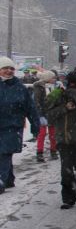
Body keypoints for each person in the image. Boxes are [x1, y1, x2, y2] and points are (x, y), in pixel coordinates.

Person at [47, 71, 76, 209]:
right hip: (64, 139)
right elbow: (49, 115)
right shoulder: (59, 97)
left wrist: (72, 95)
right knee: (66, 170)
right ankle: (68, 197)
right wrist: (64, 107)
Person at [0, 57, 40, 195]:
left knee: (4, 152)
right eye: (5, 68)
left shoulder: (20, 88)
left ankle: (1, 180)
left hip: (12, 126)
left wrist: (35, 126)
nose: (9, 71)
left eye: (11, 68)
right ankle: (9, 179)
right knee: (4, 152)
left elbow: (31, 108)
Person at [33, 70, 59, 162]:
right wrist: (40, 115)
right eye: (53, 78)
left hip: (51, 114)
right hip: (43, 114)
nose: (55, 79)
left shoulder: (54, 87)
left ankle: (53, 151)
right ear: (48, 78)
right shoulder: (39, 87)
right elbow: (36, 102)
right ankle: (39, 153)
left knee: (53, 134)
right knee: (42, 134)